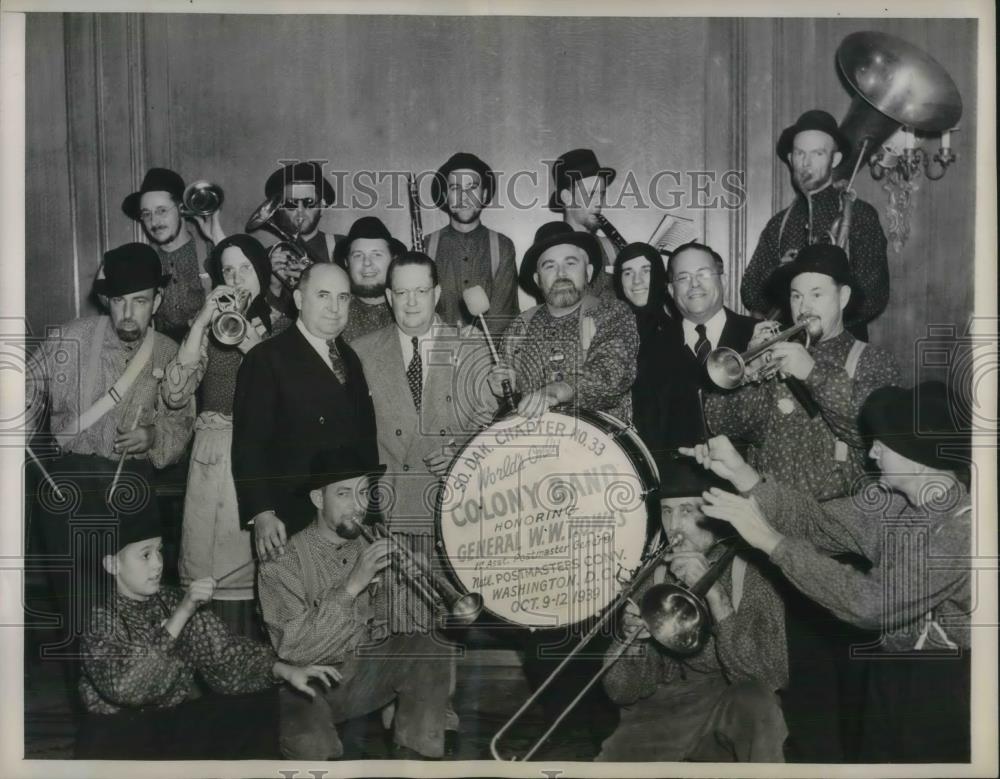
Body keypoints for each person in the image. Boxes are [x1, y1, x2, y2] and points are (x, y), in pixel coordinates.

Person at [685, 384, 972, 762]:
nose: (871, 453)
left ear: (917, 457)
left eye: (882, 444)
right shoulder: (891, 506)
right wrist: (742, 474)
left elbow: (873, 603)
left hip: (943, 689)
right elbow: (816, 523)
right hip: (889, 678)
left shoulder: (962, 527)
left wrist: (772, 542)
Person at [706, 242, 900, 761]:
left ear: (843, 296)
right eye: (795, 295)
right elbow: (723, 426)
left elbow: (873, 432)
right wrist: (750, 373)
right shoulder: (775, 360)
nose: (804, 305)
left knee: (855, 697)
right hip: (778, 540)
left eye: (817, 292)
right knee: (801, 694)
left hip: (847, 547)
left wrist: (812, 370)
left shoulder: (871, 360)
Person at [76, 495, 337, 760]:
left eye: (159, 551)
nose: (157, 564)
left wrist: (285, 670)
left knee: (254, 704)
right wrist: (181, 616)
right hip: (118, 736)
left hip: (167, 726)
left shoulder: (171, 600)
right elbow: (128, 688)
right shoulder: (100, 619)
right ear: (112, 565)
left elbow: (226, 654)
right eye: (145, 555)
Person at [25, 243, 195, 646]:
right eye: (118, 301)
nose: (127, 313)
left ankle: (138, 689)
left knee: (137, 605)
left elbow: (181, 421)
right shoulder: (70, 337)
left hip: (132, 487)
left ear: (157, 301)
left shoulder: (171, 353)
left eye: (139, 301)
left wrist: (154, 437)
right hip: (67, 485)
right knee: (79, 606)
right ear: (107, 300)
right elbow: (24, 391)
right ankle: (91, 697)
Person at [258, 446, 454, 760]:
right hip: (306, 686)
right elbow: (293, 648)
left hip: (363, 677)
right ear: (318, 499)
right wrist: (352, 586)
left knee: (429, 647)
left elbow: (403, 632)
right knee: (316, 750)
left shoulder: (373, 541)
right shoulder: (281, 563)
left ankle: (416, 761)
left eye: (364, 492)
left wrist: (417, 584)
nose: (358, 506)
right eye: (344, 494)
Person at [598, 454, 788, 762]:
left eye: (688, 511)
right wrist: (627, 641)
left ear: (714, 514)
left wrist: (718, 598)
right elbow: (622, 692)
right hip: (671, 707)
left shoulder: (754, 571)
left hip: (733, 704)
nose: (675, 526)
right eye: (667, 511)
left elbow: (769, 677)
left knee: (758, 704)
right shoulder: (654, 573)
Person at [161, 234, 292, 638]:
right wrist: (202, 321)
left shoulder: (286, 327)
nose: (236, 279)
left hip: (266, 459)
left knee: (264, 573)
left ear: (262, 272)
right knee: (208, 571)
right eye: (227, 270)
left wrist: (251, 341)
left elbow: (289, 401)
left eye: (245, 269)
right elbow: (174, 392)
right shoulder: (208, 326)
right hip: (212, 459)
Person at [232, 262, 378, 563]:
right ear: (299, 300)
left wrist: (372, 511)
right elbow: (249, 444)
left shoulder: (350, 357)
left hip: (347, 521)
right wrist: (262, 513)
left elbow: (366, 441)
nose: (335, 307)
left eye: (343, 297)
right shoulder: (267, 358)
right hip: (290, 520)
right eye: (323, 295)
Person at [352, 251, 492, 538]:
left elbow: (489, 425)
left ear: (437, 293)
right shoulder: (361, 351)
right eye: (402, 292)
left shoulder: (471, 346)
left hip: (455, 509)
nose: (412, 302)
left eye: (421, 291)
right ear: (390, 297)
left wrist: (460, 454)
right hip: (389, 512)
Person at [741, 110, 889, 341]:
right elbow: (750, 291)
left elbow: (874, 294)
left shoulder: (860, 215)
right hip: (788, 348)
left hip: (844, 347)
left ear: (835, 159)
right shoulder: (779, 224)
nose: (806, 163)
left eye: (817, 153)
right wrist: (780, 274)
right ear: (791, 159)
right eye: (800, 153)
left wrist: (823, 323)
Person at [488, 222, 638, 422]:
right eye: (549, 266)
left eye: (571, 263)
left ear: (589, 272)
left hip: (601, 446)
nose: (561, 274)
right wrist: (503, 390)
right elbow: (509, 409)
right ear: (537, 279)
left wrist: (557, 390)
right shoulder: (519, 327)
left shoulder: (613, 313)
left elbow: (612, 373)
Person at [652, 241, 756, 455]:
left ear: (723, 280)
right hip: (675, 483)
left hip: (748, 481)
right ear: (671, 290)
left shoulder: (758, 337)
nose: (694, 284)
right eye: (683, 277)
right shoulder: (650, 348)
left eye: (703, 274)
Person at [120, 167, 225, 342]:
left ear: (182, 209)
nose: (154, 222)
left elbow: (244, 294)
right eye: (146, 214)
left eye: (161, 210)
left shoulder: (211, 251)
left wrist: (217, 237)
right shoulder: (142, 261)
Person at [424, 152, 518, 329]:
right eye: (455, 188)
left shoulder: (502, 246)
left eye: (472, 187)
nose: (464, 196)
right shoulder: (427, 246)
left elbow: (503, 318)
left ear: (483, 195)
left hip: (488, 354)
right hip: (438, 353)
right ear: (446, 196)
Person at [257, 161, 344, 316]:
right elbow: (265, 326)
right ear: (280, 210)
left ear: (322, 207)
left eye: (309, 203)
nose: (300, 212)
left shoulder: (342, 246)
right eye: (291, 204)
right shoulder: (267, 256)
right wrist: (274, 287)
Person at [611, 242, 672, 448]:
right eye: (628, 273)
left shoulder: (678, 331)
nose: (637, 281)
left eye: (646, 270)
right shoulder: (608, 332)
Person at [548, 148, 618, 298]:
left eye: (602, 194)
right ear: (566, 197)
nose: (599, 202)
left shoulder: (613, 249)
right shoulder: (547, 251)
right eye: (591, 194)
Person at [332, 216, 405, 343]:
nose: (367, 263)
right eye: (358, 255)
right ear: (346, 262)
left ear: (394, 260)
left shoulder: (411, 308)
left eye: (376, 254)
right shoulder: (332, 312)